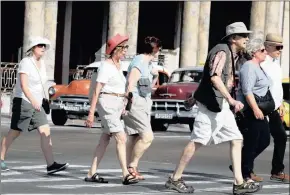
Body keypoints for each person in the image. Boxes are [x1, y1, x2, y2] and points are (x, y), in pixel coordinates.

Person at [164, 22, 261, 194]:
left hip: (220, 106)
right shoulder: (222, 52)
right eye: (243, 36)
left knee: (236, 139)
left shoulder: (233, 53)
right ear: (233, 38)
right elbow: (214, 78)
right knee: (197, 141)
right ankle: (175, 178)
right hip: (211, 106)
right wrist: (231, 100)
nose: (247, 38)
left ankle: (239, 182)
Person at [0, 36, 69, 174]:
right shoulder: (26, 62)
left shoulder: (42, 64)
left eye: (44, 46)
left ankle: (51, 165)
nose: (43, 48)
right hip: (24, 101)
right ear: (33, 48)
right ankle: (1, 158)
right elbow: (24, 86)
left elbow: (41, 84)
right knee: (15, 131)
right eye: (40, 46)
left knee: (45, 131)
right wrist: (33, 101)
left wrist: (45, 99)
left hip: (37, 103)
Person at [84, 34, 138, 185]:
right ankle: (125, 174)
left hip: (115, 104)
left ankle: (91, 173)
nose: (126, 52)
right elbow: (97, 90)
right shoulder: (106, 66)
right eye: (124, 49)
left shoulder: (117, 66)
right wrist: (91, 113)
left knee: (105, 139)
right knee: (121, 137)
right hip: (107, 103)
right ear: (117, 50)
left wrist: (123, 104)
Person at [123, 36, 161, 180]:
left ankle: (129, 169)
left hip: (143, 102)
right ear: (154, 48)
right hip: (135, 102)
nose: (158, 51)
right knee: (147, 136)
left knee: (134, 136)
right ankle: (132, 165)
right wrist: (127, 103)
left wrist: (155, 76)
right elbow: (131, 82)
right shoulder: (140, 61)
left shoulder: (148, 63)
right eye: (158, 48)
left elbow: (148, 87)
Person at [236, 38, 273, 183]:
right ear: (254, 53)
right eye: (262, 50)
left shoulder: (258, 66)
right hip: (250, 110)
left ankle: (241, 166)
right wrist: (256, 109)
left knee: (263, 140)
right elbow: (247, 91)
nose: (266, 53)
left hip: (259, 109)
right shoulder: (249, 67)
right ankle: (245, 173)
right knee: (252, 142)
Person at [260, 33, 289, 182]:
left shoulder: (276, 63)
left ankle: (277, 170)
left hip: (275, 107)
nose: (280, 50)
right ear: (268, 46)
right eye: (278, 47)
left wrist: (281, 103)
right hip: (264, 106)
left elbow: (277, 86)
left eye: (282, 47)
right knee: (260, 140)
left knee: (281, 137)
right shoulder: (262, 63)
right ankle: (242, 166)